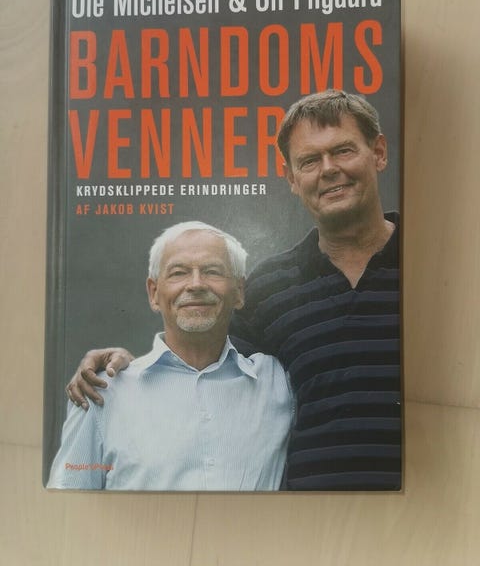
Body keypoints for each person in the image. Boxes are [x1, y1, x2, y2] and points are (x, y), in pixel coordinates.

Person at [66, 90, 401, 491]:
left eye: (343, 151)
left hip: (430, 512)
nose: (328, 170)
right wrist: (127, 371)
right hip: (312, 522)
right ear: (292, 178)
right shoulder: (269, 287)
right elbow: (208, 368)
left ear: (378, 153)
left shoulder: (436, 266)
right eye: (309, 161)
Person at [48, 222, 294, 491]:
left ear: (239, 292)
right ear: (154, 293)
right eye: (179, 273)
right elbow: (65, 506)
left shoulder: (277, 383)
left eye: (212, 271)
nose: (196, 284)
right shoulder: (102, 394)